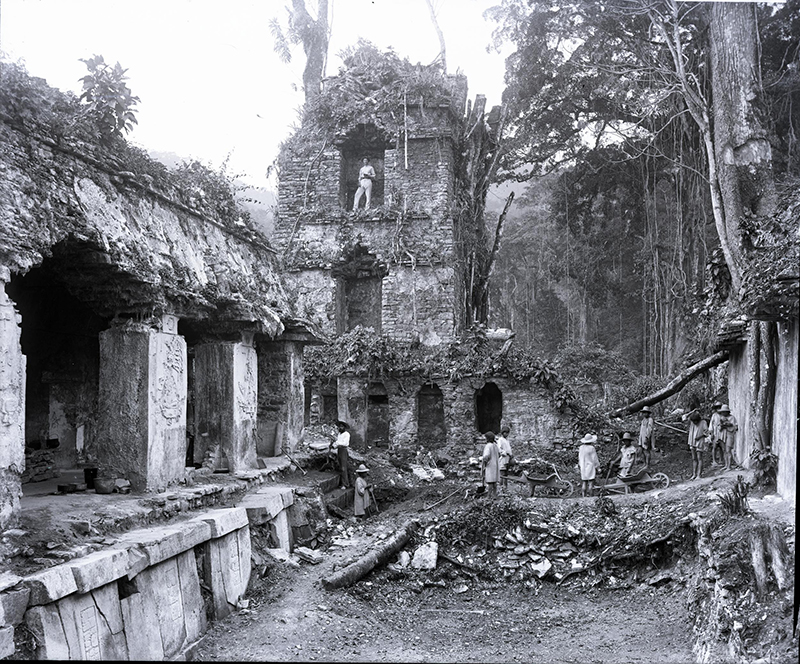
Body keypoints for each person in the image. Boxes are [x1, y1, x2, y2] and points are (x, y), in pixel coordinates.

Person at [684, 409, 709, 480]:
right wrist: (692, 412)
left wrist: (700, 436)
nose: (695, 422)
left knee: (699, 458)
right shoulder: (691, 422)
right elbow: (684, 417)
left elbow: (707, 433)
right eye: (693, 421)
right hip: (692, 442)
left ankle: (699, 475)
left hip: (699, 442)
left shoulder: (703, 422)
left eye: (696, 421)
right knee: (694, 458)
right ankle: (694, 474)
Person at [578, 433, 601, 497]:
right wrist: (598, 467)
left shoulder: (581, 448)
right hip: (590, 467)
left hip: (583, 466)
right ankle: (591, 497)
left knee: (584, 482)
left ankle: (583, 496)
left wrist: (580, 465)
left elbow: (579, 458)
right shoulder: (591, 448)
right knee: (591, 482)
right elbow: (595, 459)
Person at [332, 420, 351, 488]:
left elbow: (344, 443)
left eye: (342, 426)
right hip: (339, 450)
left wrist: (337, 443)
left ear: (344, 427)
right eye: (339, 426)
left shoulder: (346, 434)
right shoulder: (339, 434)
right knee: (340, 467)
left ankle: (345, 484)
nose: (340, 428)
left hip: (343, 450)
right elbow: (338, 442)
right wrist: (334, 445)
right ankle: (342, 483)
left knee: (343, 468)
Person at [481, 431, 500, 500]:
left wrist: (484, 463)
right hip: (495, 464)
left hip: (490, 465)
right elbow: (499, 454)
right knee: (494, 481)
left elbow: (486, 456)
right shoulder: (495, 445)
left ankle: (489, 496)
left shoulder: (488, 446)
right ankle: (494, 495)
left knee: (490, 481)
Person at [719, 404, 738, 471]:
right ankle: (726, 464)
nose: (723, 413)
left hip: (729, 434)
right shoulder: (721, 418)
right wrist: (722, 425)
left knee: (728, 450)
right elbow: (719, 427)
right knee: (724, 450)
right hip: (723, 435)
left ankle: (729, 466)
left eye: (724, 411)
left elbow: (734, 426)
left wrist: (726, 423)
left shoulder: (732, 418)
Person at [496, 426, 513, 495]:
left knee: (506, 474)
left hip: (507, 459)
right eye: (505, 433)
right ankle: (500, 488)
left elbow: (509, 449)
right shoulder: (500, 440)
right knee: (502, 473)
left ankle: (505, 488)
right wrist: (506, 453)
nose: (507, 434)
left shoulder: (507, 440)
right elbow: (499, 449)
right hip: (503, 458)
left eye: (507, 433)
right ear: (503, 433)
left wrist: (511, 454)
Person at [709, 402, 723, 466]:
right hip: (715, 433)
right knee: (714, 447)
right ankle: (714, 460)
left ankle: (721, 460)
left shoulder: (723, 415)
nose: (718, 409)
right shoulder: (714, 415)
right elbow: (711, 425)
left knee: (721, 447)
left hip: (722, 433)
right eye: (717, 407)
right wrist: (711, 433)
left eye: (719, 407)